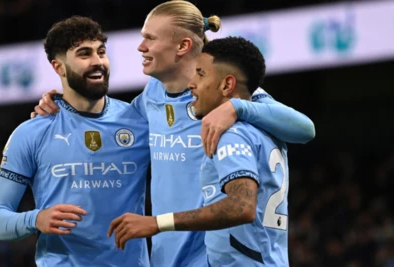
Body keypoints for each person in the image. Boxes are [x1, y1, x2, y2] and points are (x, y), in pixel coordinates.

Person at [32, 1, 315, 266]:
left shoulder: (225, 98)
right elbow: (109, 125)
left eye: (150, 38)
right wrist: (65, 104)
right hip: (167, 256)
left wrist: (237, 108)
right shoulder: (152, 95)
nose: (140, 47)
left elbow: (305, 129)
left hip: (216, 255)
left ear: (183, 45)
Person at [0, 16, 151, 267]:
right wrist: (36, 219)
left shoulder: (139, 122)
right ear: (58, 67)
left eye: (101, 52)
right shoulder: (31, 133)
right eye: (84, 54)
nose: (98, 62)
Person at [109, 36, 289, 267]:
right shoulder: (268, 127)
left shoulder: (230, 134)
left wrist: (156, 222)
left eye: (201, 74)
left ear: (227, 85)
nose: (192, 83)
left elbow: (241, 207)